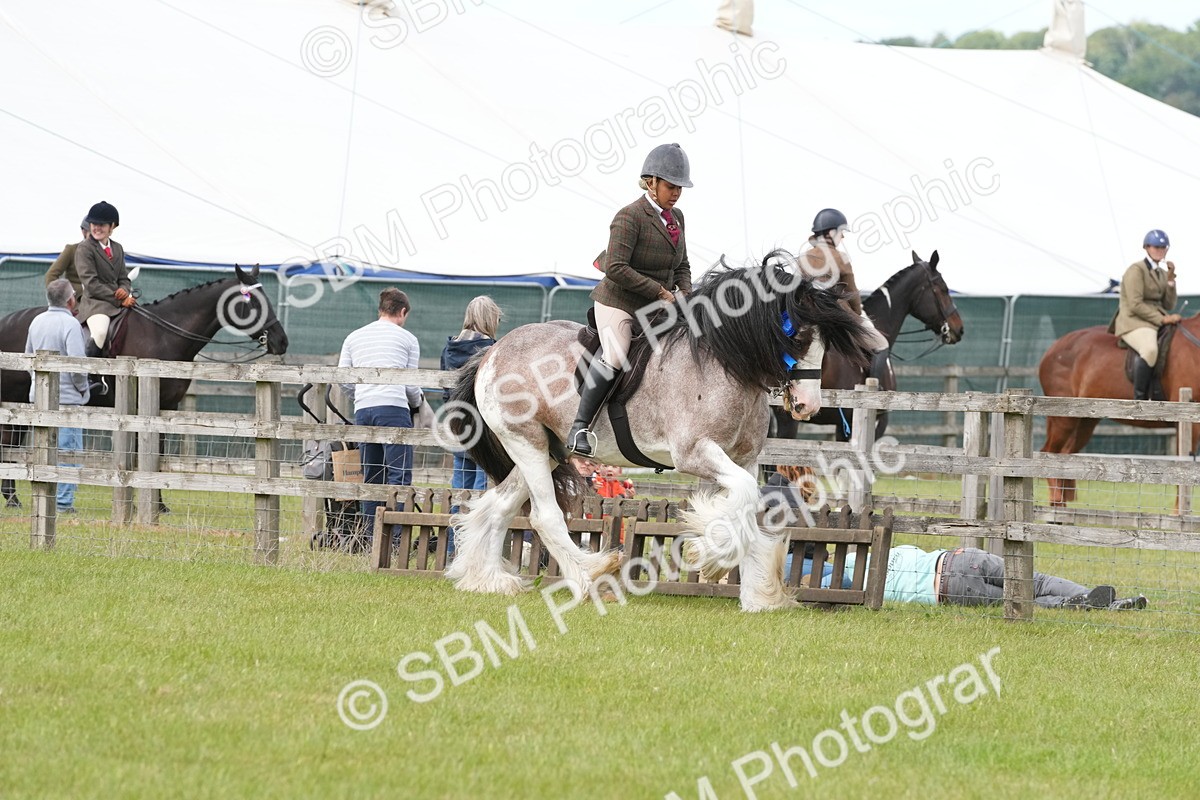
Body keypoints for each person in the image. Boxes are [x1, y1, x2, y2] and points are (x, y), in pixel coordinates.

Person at [568, 143, 694, 458]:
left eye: (679, 187)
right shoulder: (630, 215)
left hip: (658, 305)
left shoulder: (677, 217)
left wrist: (686, 293)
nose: (676, 193)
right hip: (619, 301)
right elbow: (616, 267)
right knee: (616, 354)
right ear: (651, 182)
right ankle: (580, 427)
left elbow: (682, 265)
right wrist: (661, 292)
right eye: (670, 186)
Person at [338, 288, 425, 529]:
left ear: (381, 309)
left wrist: (362, 394)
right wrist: (418, 403)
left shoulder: (354, 337)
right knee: (399, 475)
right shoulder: (408, 339)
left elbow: (343, 379)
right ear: (403, 311)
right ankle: (396, 538)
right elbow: (411, 385)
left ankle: (370, 536)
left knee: (372, 475)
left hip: (364, 409)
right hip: (394, 408)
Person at [440, 296, 502, 557]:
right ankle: (477, 552)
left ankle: (453, 550)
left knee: (459, 494)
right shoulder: (492, 349)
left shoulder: (449, 349)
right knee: (480, 495)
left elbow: (445, 392)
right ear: (491, 319)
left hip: (459, 430)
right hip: (484, 434)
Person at [24, 279, 90, 514]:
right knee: (67, 452)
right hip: (66, 398)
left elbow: (28, 358)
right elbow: (77, 365)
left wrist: (37, 383)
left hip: (39, 397)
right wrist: (83, 389)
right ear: (71, 300)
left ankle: (42, 499)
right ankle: (63, 503)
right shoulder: (71, 324)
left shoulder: (36, 321)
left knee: (43, 451)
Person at [797, 208, 890, 375]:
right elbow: (852, 292)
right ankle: (873, 384)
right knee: (881, 344)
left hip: (806, 315)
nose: (843, 237)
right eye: (841, 232)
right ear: (831, 232)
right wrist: (857, 313)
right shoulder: (841, 258)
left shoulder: (802, 258)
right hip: (838, 314)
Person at [1111, 229, 1179, 401]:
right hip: (1134, 321)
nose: (1160, 250)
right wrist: (1162, 319)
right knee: (1149, 350)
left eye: (1163, 247)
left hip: (1154, 321)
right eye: (1156, 247)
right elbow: (1135, 304)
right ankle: (1140, 399)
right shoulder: (1136, 270)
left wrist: (1170, 281)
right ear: (1147, 247)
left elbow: (1168, 305)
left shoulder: (1162, 273)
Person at [74, 200, 134, 358]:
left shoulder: (117, 248)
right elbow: (91, 284)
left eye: (101, 225)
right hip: (96, 304)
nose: (96, 228)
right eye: (94, 224)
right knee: (100, 333)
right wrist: (119, 299)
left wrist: (124, 290)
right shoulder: (85, 248)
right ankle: (89, 371)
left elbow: (124, 278)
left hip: (118, 301)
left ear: (112, 226)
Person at [45, 219, 89, 300]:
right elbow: (51, 275)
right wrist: (64, 297)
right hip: (76, 300)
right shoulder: (72, 250)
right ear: (84, 232)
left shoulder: (108, 252)